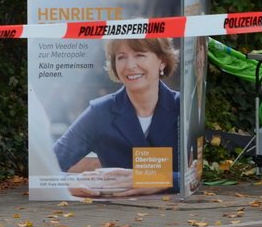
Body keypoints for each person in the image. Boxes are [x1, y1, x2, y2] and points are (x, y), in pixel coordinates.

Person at [54, 37, 180, 198]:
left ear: (162, 61)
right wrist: (67, 182)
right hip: (111, 214)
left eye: (140, 55)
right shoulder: (99, 112)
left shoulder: (182, 107)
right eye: (121, 57)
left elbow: (202, 174)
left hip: (180, 213)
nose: (130, 65)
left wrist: (164, 179)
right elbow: (45, 168)